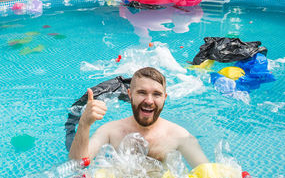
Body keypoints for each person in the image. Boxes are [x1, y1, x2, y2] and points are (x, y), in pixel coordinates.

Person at [69, 67, 209, 168]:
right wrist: (84, 123)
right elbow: (77, 164)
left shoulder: (179, 136)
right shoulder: (110, 131)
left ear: (164, 98)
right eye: (142, 92)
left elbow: (208, 175)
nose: (149, 101)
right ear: (130, 95)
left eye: (156, 94)